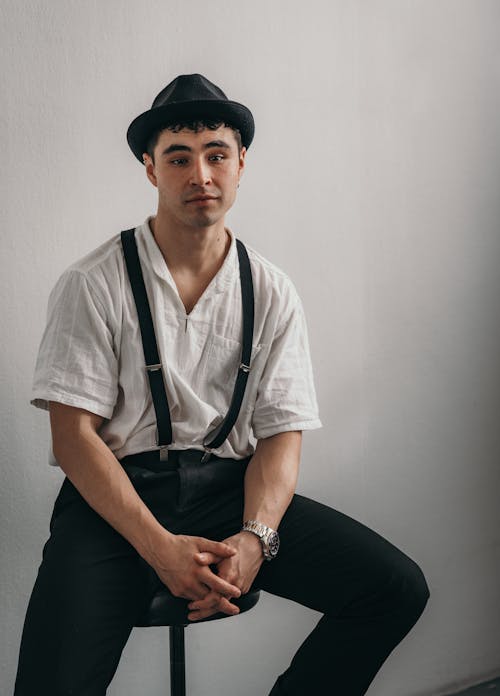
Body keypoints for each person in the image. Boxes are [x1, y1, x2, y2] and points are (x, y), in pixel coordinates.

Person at [14, 73, 430, 695]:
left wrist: (256, 538)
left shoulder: (271, 288)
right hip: (114, 502)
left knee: (393, 589)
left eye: (216, 155)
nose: (200, 175)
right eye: (178, 158)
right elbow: (73, 439)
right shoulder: (93, 283)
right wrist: (160, 550)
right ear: (151, 170)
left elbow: (281, 436)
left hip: (228, 492)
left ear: (241, 165)